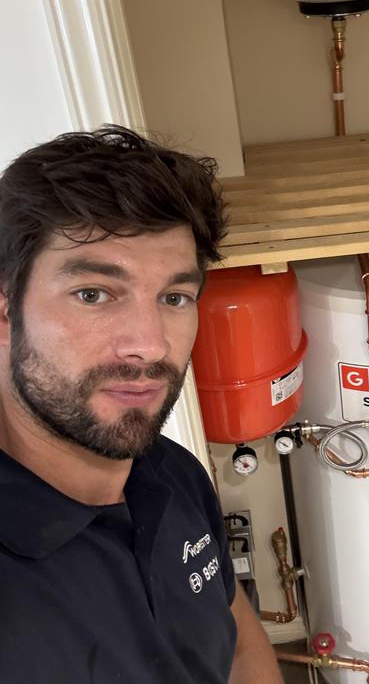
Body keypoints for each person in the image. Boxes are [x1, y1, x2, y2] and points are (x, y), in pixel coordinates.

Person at [0, 126, 284, 683]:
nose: (151, 345)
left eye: (175, 297)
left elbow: (237, 641)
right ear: (7, 315)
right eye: (93, 294)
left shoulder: (171, 472)